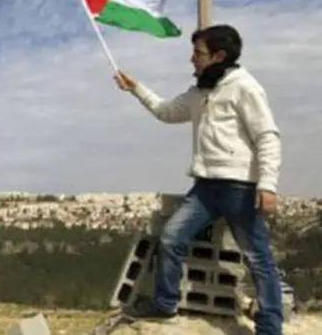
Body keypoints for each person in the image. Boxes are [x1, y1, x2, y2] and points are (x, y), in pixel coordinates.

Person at [114, 24, 284, 335]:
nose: (192, 59)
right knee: (171, 239)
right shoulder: (199, 92)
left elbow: (267, 136)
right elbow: (166, 112)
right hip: (205, 187)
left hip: (240, 188)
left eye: (198, 53)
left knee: (258, 258)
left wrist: (268, 184)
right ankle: (165, 305)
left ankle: (270, 327)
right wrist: (136, 88)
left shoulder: (245, 87)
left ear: (219, 55)